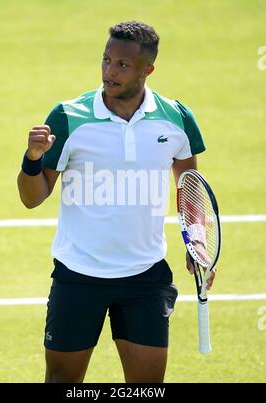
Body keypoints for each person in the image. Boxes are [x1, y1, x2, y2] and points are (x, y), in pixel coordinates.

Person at [17, 21, 216, 383]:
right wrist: (32, 159)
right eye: (106, 60)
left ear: (148, 69)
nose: (110, 71)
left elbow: (190, 190)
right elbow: (32, 198)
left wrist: (198, 244)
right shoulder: (67, 117)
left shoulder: (177, 119)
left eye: (122, 65)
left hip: (145, 278)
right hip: (78, 276)